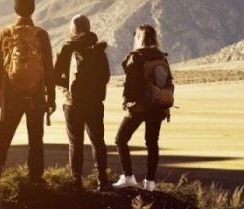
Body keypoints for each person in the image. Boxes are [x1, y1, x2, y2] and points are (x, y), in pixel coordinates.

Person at [0, 0, 55, 182]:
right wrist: (52, 98)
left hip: (10, 97)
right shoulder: (41, 34)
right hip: (36, 97)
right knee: (35, 140)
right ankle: (35, 180)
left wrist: (1, 97)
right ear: (33, 9)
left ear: (15, 9)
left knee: (3, 139)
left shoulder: (5, 33)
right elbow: (49, 68)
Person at [53, 14, 111, 192]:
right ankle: (102, 179)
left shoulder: (66, 47)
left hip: (73, 103)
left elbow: (55, 75)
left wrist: (66, 90)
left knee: (75, 142)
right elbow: (106, 76)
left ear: (73, 29)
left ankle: (76, 179)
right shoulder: (97, 48)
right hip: (94, 102)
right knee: (97, 141)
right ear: (89, 27)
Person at [112, 24, 172, 192]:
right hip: (158, 106)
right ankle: (150, 183)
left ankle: (128, 177)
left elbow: (130, 85)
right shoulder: (162, 57)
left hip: (140, 107)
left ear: (139, 38)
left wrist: (127, 103)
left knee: (120, 139)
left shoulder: (136, 57)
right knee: (152, 142)